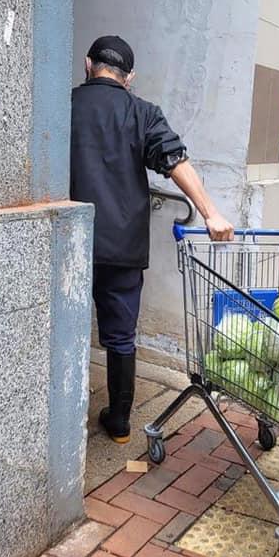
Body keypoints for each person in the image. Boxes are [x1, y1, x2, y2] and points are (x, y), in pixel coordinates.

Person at [70, 36, 234, 443]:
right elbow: (175, 160)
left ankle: (61, 420)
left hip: (66, 242)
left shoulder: (65, 103)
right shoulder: (143, 113)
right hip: (122, 248)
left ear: (88, 65)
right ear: (130, 78)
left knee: (60, 329)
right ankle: (121, 422)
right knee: (121, 337)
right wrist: (211, 212)